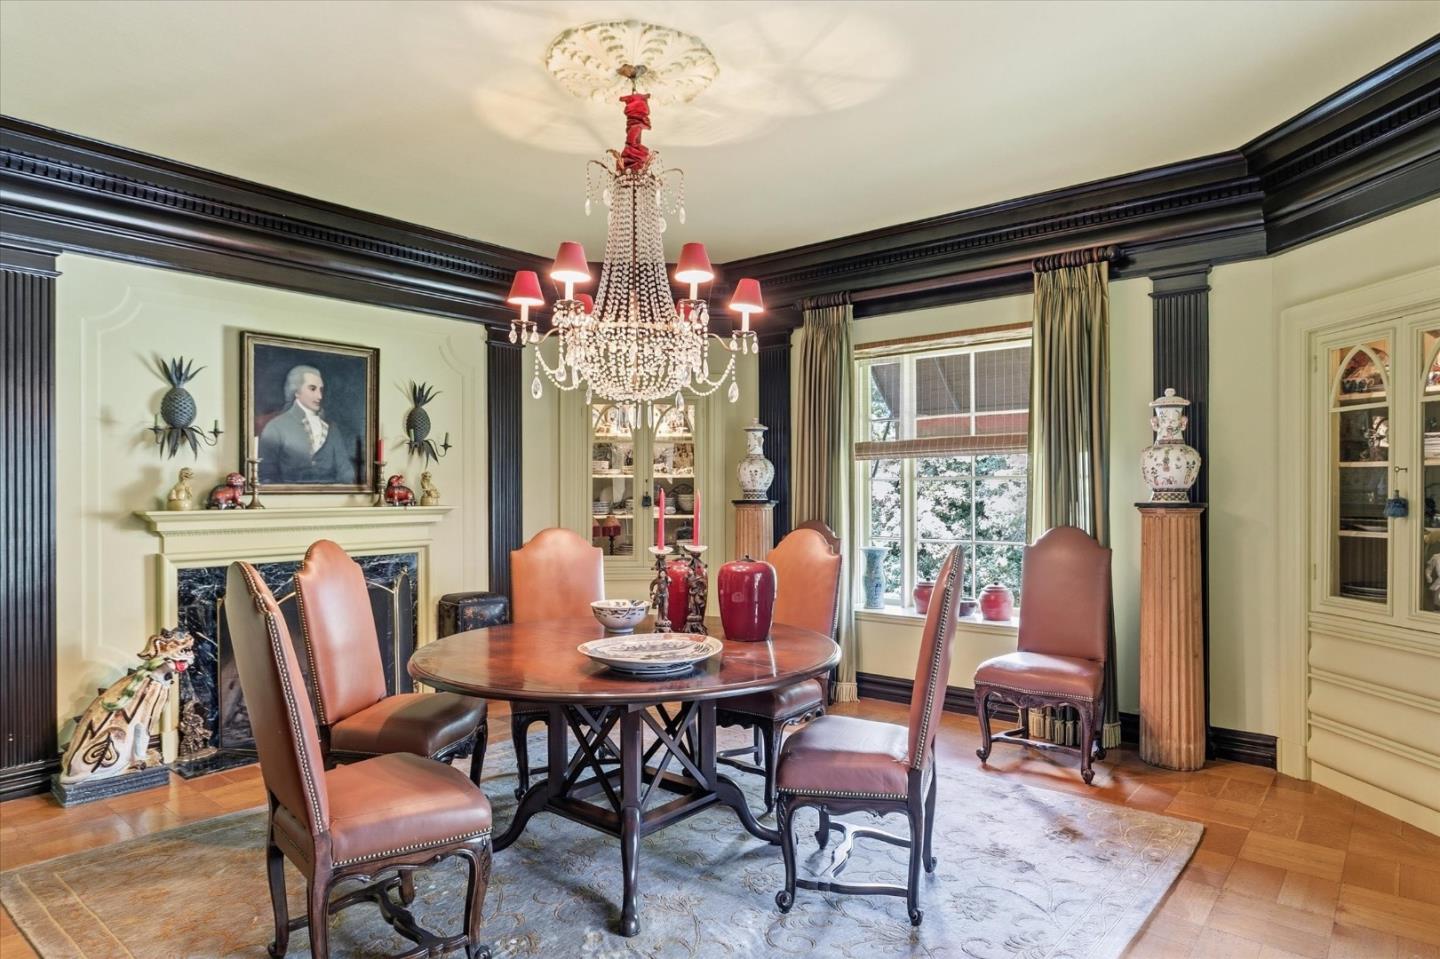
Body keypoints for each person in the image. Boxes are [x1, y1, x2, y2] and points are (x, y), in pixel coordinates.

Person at [258, 364, 355, 484]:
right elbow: (266, 476)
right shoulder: (275, 427)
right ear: (296, 391)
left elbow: (346, 471)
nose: (319, 396)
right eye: (312, 388)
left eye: (321, 389)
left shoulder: (332, 428)